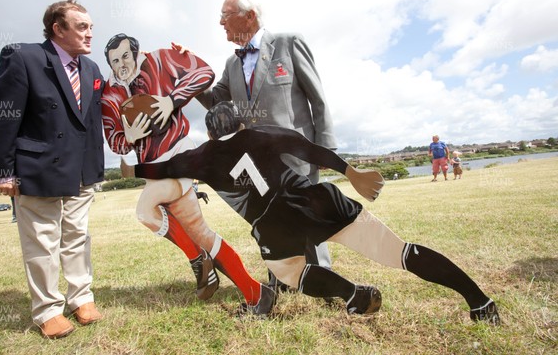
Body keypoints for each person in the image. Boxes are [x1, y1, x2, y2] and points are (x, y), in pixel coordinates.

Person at [133, 102, 501, 324]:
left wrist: (129, 168)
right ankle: (479, 301)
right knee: (398, 252)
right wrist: (350, 172)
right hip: (313, 199)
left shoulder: (201, 157)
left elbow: (157, 169)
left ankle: (351, 293)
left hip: (272, 226)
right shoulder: (260, 132)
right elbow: (307, 148)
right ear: (241, 124)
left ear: (212, 134)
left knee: (287, 272)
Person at [101, 34, 275, 314]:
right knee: (202, 233)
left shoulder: (159, 59)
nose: (121, 63)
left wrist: (172, 100)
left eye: (124, 56)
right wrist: (129, 137)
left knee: (145, 210)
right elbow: (113, 139)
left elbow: (204, 72)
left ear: (135, 52)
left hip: (180, 156)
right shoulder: (109, 94)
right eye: (114, 60)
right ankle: (256, 293)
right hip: (154, 169)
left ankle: (197, 260)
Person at [196, 0, 336, 289]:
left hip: (297, 151)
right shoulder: (232, 65)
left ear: (249, 16)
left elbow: (317, 97)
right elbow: (215, 100)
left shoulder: (289, 43)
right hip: (257, 159)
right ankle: (283, 277)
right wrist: (188, 76)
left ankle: (322, 278)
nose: (220, 23)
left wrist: (324, 147)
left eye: (225, 15)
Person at [0, 0, 104, 339]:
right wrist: (3, 172)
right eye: (82, 27)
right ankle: (48, 310)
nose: (90, 33)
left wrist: (96, 168)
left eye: (91, 27)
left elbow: (93, 122)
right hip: (37, 169)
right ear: (58, 29)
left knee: (78, 237)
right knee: (43, 242)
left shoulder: (92, 70)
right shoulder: (23, 57)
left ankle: (82, 298)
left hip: (82, 171)